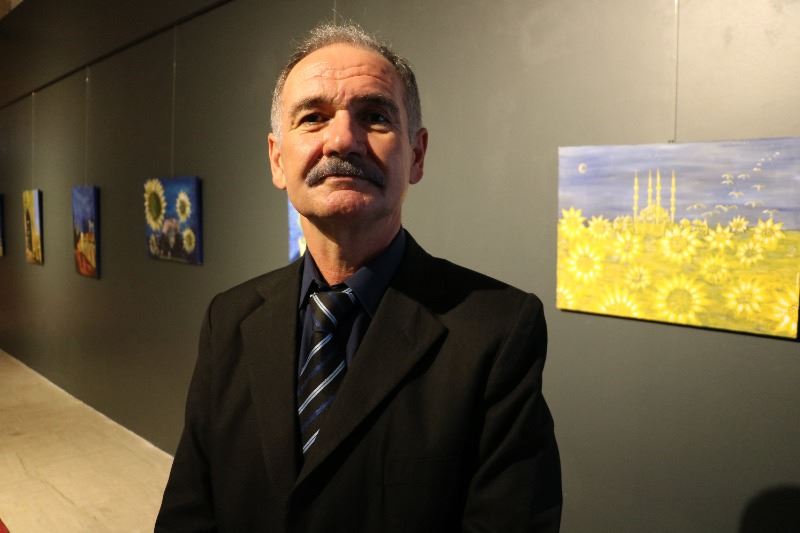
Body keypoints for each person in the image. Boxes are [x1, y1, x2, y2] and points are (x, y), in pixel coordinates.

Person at [155, 22, 561, 533]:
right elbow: (190, 509)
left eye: (374, 116)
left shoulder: (496, 331)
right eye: (313, 118)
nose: (343, 139)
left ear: (416, 155)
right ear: (277, 159)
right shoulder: (229, 318)